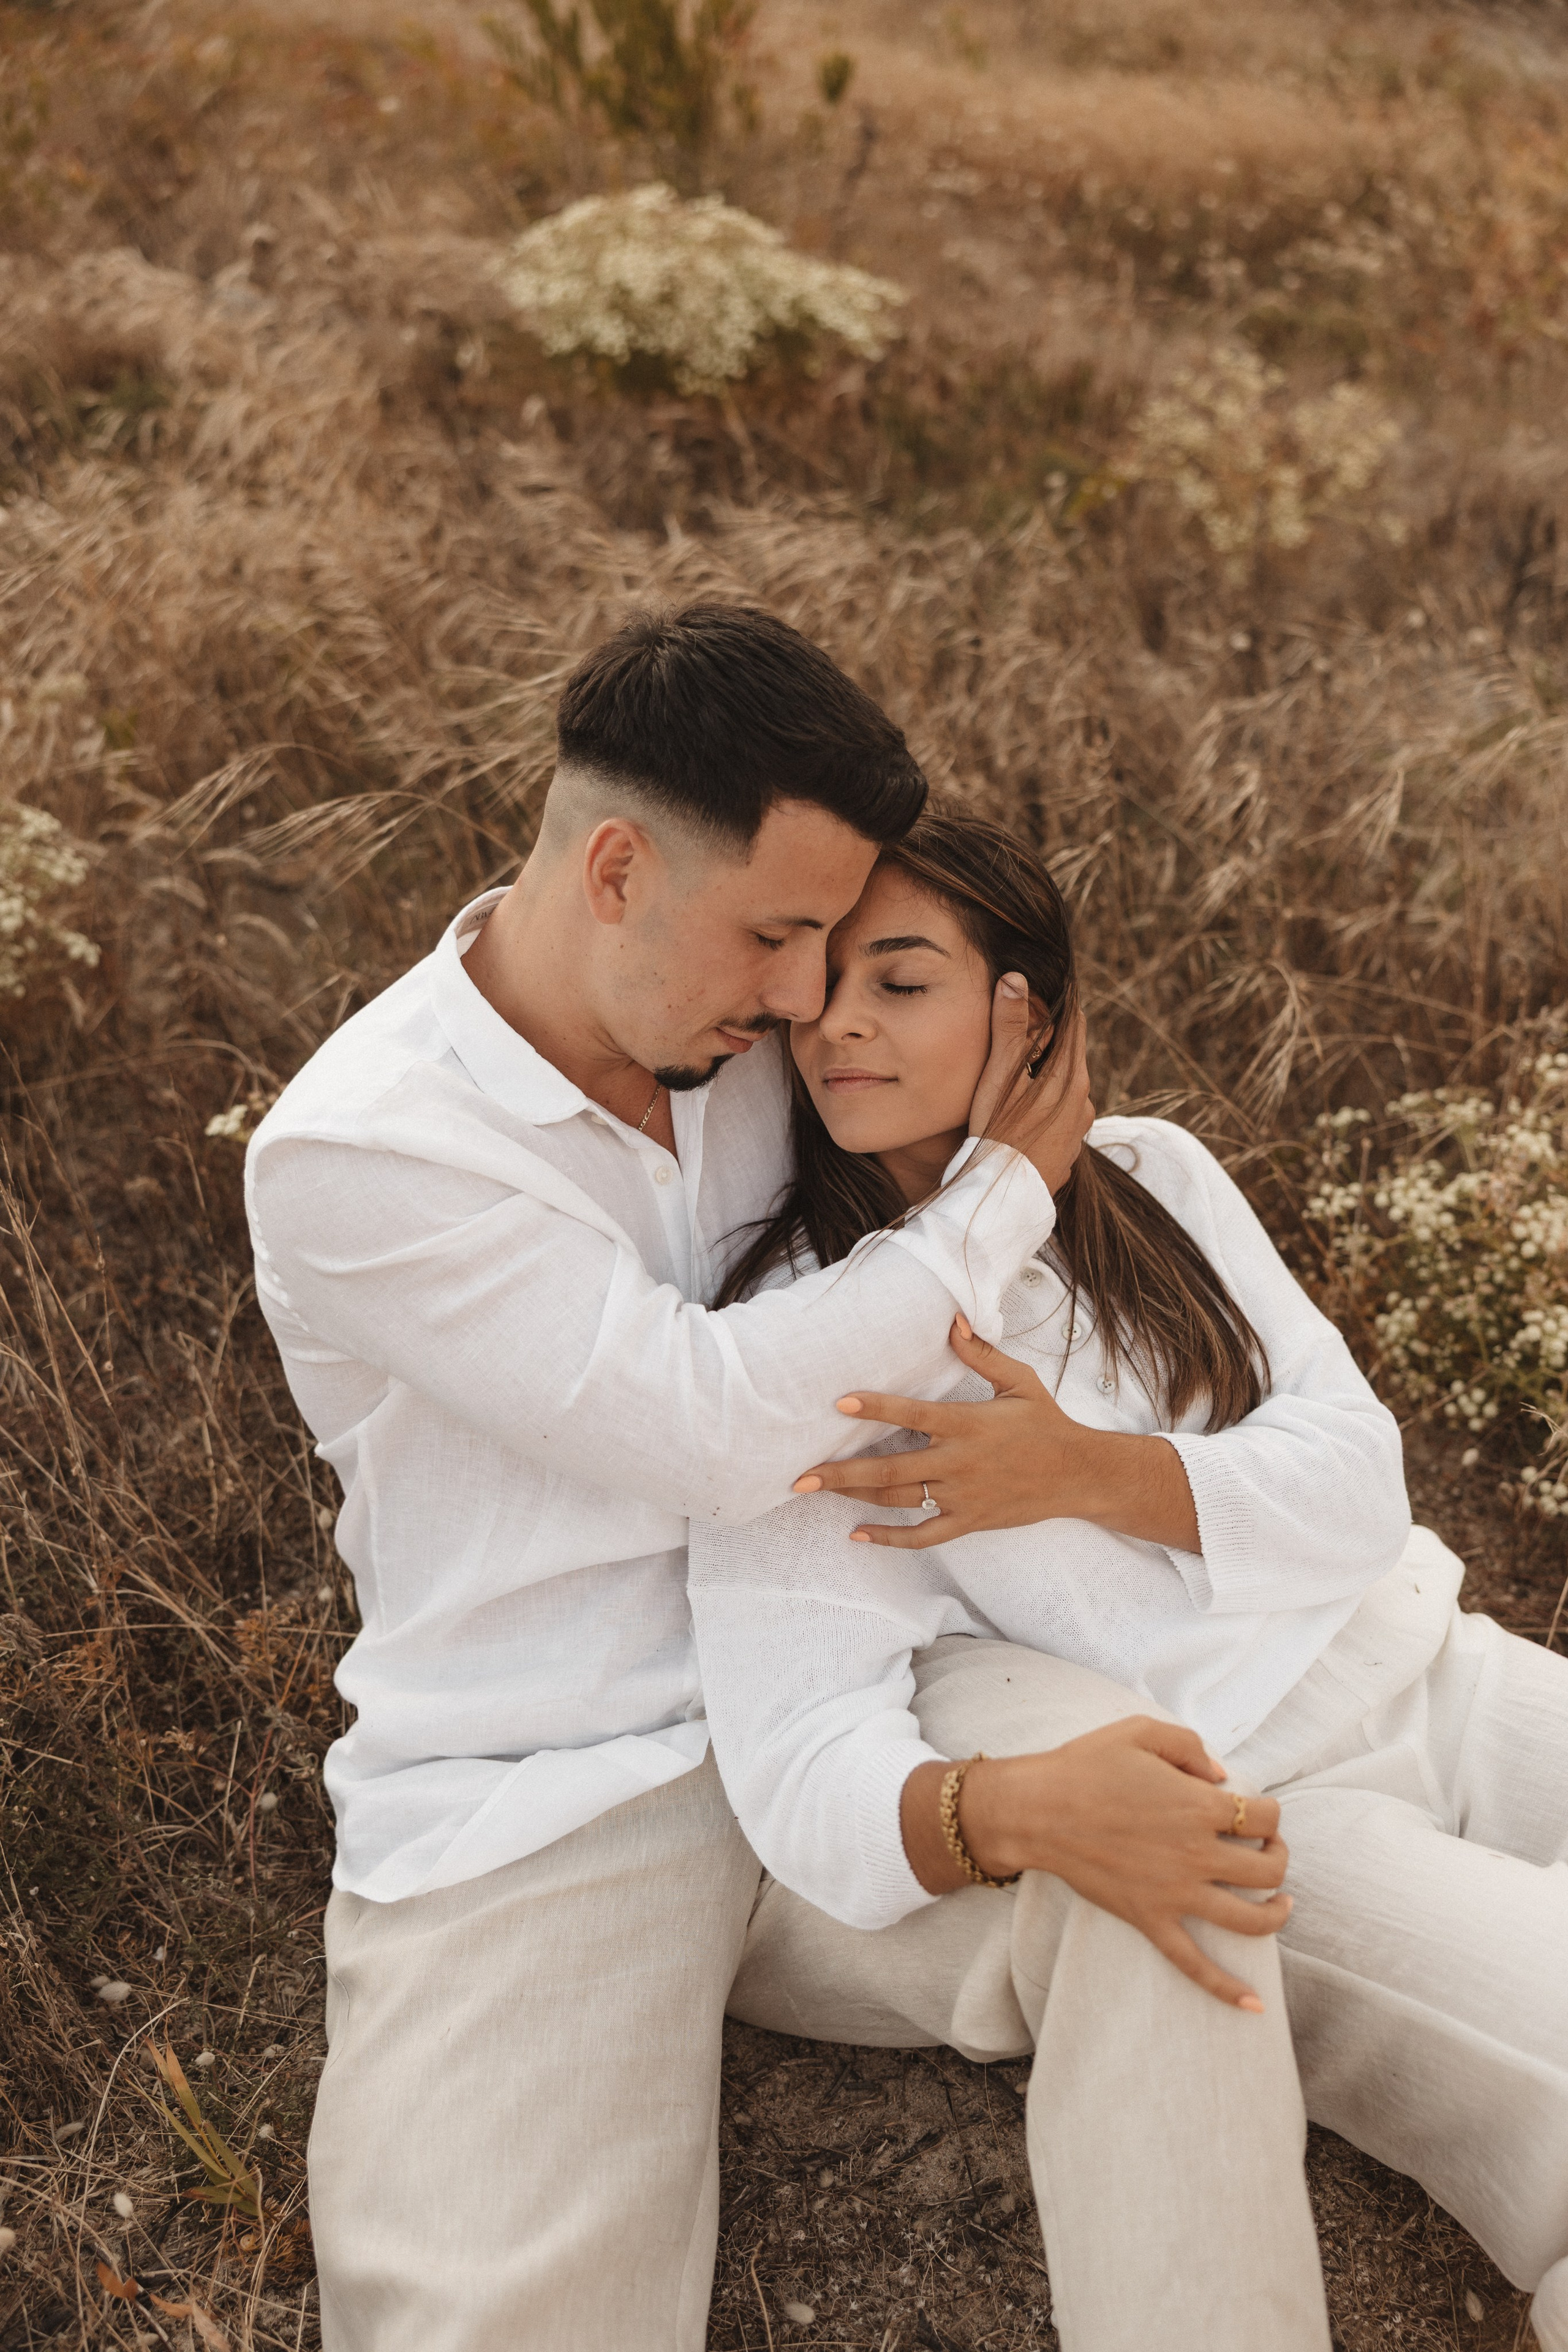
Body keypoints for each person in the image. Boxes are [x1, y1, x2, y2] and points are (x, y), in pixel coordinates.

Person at [247, 604, 1337, 2352]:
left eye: (827, 942)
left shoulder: (755, 1022)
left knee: (1168, 1860)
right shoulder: (364, 1154)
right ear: (614, 868)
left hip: (876, 1681)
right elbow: (710, 1422)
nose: (803, 1000)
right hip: (560, 1779)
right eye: (774, 937)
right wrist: (1002, 1194)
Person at [688, 806, 1568, 2352]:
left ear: (1021, 1013)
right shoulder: (810, 1340)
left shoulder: (1146, 1174)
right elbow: (798, 1753)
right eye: (822, 981)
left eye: (900, 982)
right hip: (1281, 1813)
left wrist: (1084, 1473)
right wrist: (1000, 1814)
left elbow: (1359, 1478)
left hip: (1443, 1670)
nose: (834, 1023)